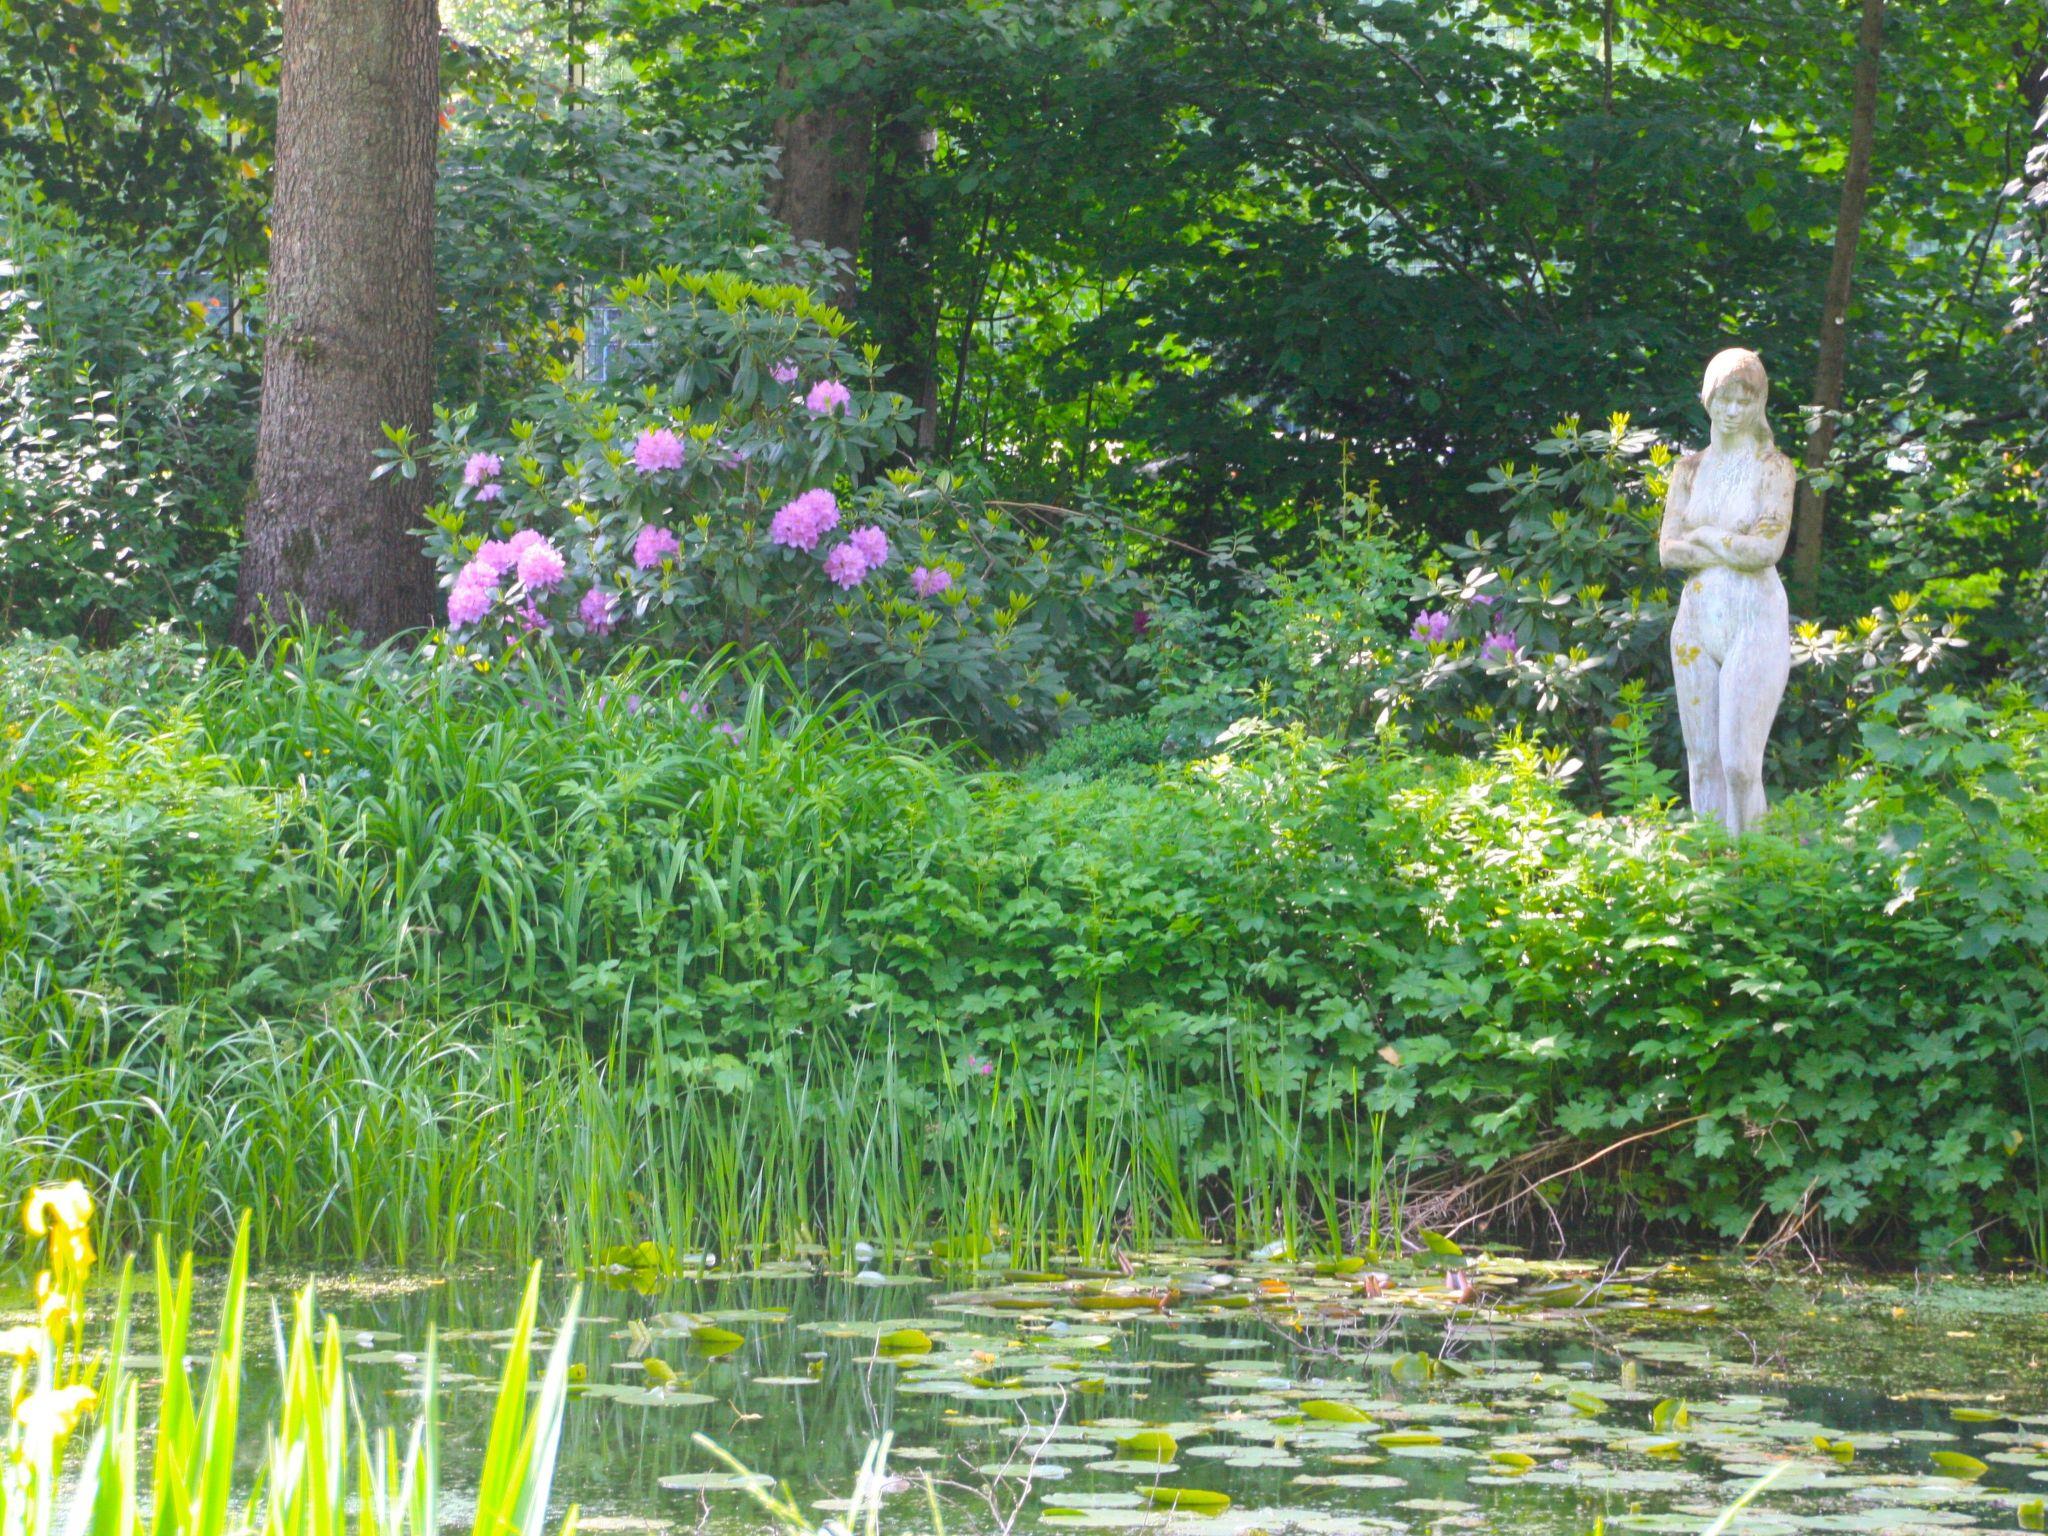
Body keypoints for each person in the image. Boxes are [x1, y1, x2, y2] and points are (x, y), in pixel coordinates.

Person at [1658, 348, 1795, 835]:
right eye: (1724, 399)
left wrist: (1708, 537)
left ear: (1759, 404)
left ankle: (1753, 862)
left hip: (1754, 618)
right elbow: (1669, 551)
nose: (1733, 410)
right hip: (1696, 620)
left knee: (1739, 764)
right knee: (1702, 761)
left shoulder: (1774, 467)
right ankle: (1712, 862)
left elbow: (1767, 549)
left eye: (1744, 400)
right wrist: (1731, 545)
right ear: (1708, 399)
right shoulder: (1689, 470)